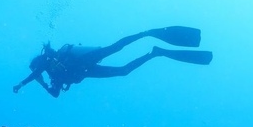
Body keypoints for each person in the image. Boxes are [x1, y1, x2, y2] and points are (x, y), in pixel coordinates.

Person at [13, 26, 213, 97]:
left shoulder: (49, 60)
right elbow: (55, 95)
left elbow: (34, 72)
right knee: (123, 71)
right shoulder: (52, 76)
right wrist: (41, 84)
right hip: (84, 71)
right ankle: (154, 53)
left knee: (116, 47)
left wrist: (22, 83)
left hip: (83, 60)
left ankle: (146, 34)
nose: (37, 72)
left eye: (36, 69)